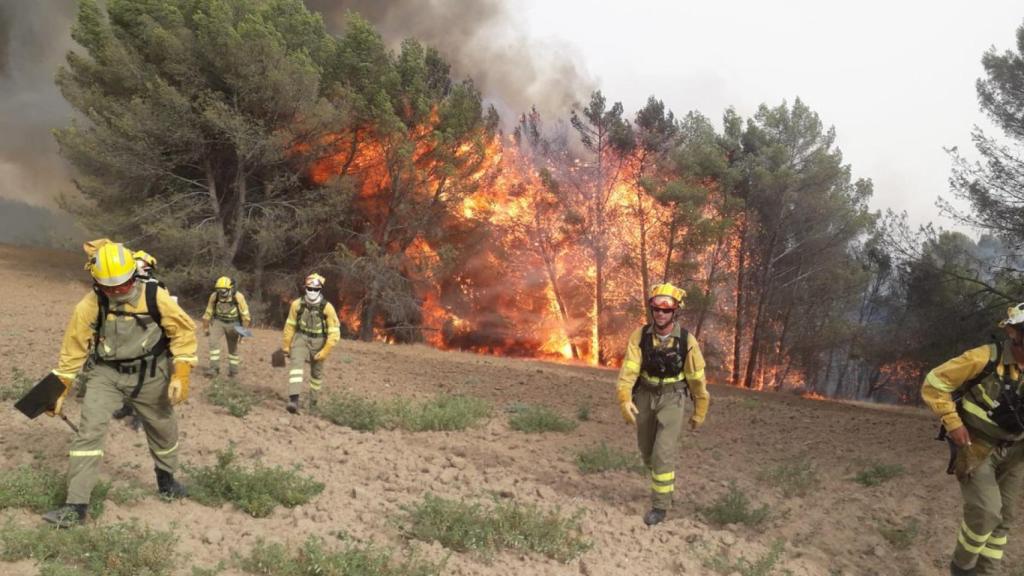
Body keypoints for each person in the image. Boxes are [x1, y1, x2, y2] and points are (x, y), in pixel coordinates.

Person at [43, 240, 197, 527]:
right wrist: (59, 388)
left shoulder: (155, 296)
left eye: (123, 285)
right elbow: (73, 349)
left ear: (133, 275)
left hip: (151, 373)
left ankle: (167, 479)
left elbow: (183, 332)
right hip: (106, 374)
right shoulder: (90, 304)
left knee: (163, 428)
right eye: (109, 287)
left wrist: (182, 372)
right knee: (88, 433)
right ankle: (76, 506)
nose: (117, 292)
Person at [923, 303, 1024, 575]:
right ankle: (963, 568)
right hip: (977, 446)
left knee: (1004, 518)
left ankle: (987, 572)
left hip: (1016, 452)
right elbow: (934, 383)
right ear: (1015, 335)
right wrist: (952, 422)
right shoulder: (984, 358)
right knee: (987, 512)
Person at [614, 283, 710, 526]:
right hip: (645, 395)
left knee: (663, 454)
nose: (660, 313)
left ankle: (660, 506)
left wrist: (700, 409)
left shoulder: (687, 341)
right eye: (656, 308)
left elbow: (697, 380)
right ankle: (662, 486)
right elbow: (629, 371)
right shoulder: (640, 337)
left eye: (666, 310)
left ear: (674, 312)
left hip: (672, 398)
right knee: (647, 452)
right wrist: (625, 398)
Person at [112, 250, 164, 422]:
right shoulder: (125, 289)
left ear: (149, 268)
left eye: (140, 266)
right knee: (126, 375)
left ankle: (140, 415)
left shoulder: (157, 289)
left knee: (144, 380)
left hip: (147, 341)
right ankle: (127, 407)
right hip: (126, 338)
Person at [281, 273, 340, 413]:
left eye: (315, 289)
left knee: (316, 373)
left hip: (319, 341)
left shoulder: (327, 308)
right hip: (301, 338)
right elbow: (289, 326)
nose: (312, 292)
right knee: (296, 366)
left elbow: (334, 332)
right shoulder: (297, 304)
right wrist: (286, 345)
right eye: (309, 289)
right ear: (305, 288)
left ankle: (313, 403)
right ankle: (293, 400)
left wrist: (326, 350)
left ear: (320, 290)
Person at [201, 276, 251, 378]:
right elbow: (208, 312)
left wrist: (243, 333)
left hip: (234, 323)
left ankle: (233, 371)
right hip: (218, 321)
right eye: (219, 291)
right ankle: (214, 368)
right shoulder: (214, 296)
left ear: (230, 288)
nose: (221, 293)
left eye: (223, 291)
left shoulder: (238, 297)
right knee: (213, 342)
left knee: (232, 348)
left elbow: (246, 317)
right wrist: (205, 328)